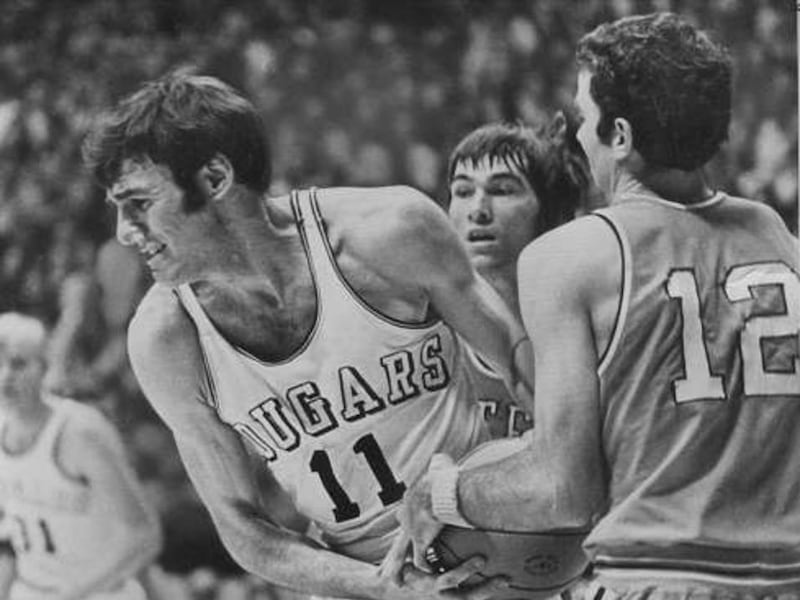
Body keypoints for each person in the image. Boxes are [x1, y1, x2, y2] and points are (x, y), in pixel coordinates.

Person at [386, 12, 800, 598]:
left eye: (585, 117)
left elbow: (564, 492)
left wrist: (442, 494)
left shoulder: (571, 256)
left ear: (621, 137)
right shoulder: (777, 237)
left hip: (658, 576)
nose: (579, 135)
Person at [82, 71, 533, 600]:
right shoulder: (165, 338)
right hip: (361, 582)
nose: (124, 231)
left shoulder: (388, 233)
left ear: (214, 178)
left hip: (492, 544)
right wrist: (383, 587)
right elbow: (242, 529)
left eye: (139, 202)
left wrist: (493, 492)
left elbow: (531, 377)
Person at [0, 312, 162, 600]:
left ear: (44, 367)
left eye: (18, 364)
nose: (5, 377)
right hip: (30, 590)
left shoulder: (80, 431)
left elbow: (143, 535)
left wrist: (71, 594)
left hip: (98, 593)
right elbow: (10, 541)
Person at [446, 118, 590, 438]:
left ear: (551, 211)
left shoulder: (585, 331)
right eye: (463, 191)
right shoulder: (428, 334)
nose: (478, 210)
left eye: (502, 190)